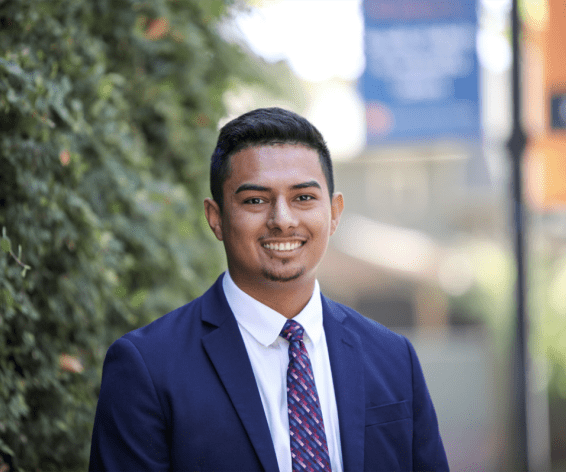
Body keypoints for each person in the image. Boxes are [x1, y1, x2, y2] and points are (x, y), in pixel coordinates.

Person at [89, 107, 449, 471]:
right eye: (255, 201)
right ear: (216, 218)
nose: (283, 220)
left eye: (304, 198)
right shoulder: (147, 367)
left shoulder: (392, 358)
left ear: (334, 212)